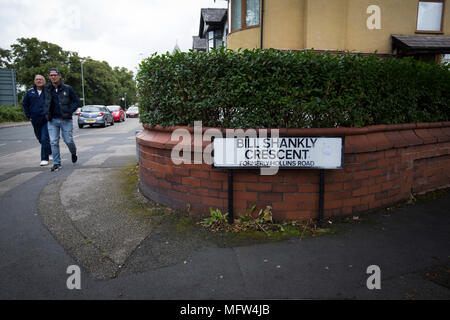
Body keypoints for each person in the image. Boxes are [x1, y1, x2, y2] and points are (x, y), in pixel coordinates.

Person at [43, 68, 79, 172]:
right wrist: (45, 112)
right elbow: (43, 101)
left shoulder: (68, 88)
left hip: (65, 119)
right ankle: (57, 163)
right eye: (51, 75)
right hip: (52, 120)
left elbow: (76, 102)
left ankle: (73, 152)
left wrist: (69, 111)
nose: (53, 77)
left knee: (68, 140)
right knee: (53, 142)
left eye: (55, 75)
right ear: (49, 77)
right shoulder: (47, 89)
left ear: (60, 76)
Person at [22, 75, 52, 166]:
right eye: (37, 79)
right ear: (34, 81)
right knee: (40, 138)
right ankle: (49, 151)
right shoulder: (30, 92)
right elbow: (25, 104)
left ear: (44, 81)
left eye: (40, 79)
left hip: (46, 119)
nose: (39, 81)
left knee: (44, 138)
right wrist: (28, 115)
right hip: (35, 119)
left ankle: (44, 158)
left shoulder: (48, 91)